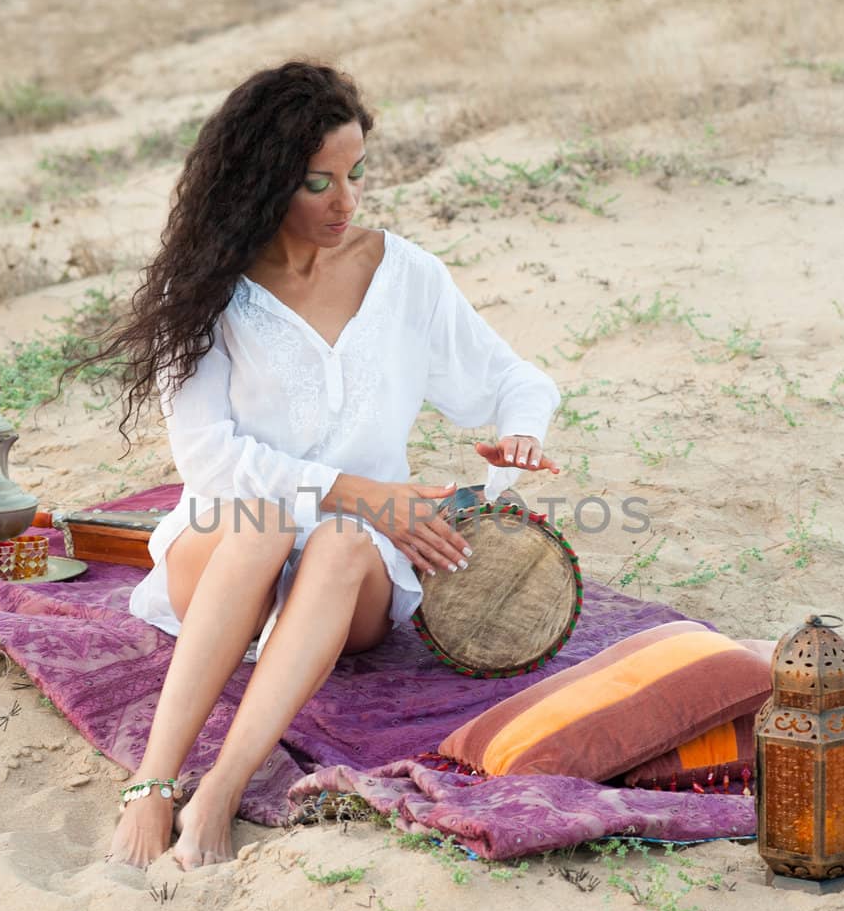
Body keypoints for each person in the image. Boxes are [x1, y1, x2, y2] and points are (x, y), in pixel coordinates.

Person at [97, 62, 561, 870]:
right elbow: (210, 457)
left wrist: (518, 437)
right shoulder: (205, 289)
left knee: (342, 542)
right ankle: (155, 781)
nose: (346, 203)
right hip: (224, 554)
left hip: (356, 575)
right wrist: (367, 494)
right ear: (263, 181)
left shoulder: (405, 275)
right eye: (318, 182)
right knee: (266, 520)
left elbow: (517, 380)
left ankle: (221, 790)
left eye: (354, 176)